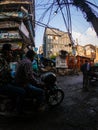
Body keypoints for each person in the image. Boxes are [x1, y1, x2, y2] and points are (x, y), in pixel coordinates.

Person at [0, 43, 25, 114]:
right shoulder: (1, 59)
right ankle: (19, 111)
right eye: (10, 51)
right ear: (5, 51)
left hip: (6, 81)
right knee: (22, 91)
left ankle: (12, 106)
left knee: (19, 85)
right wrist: (8, 70)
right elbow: (2, 72)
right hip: (2, 84)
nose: (11, 52)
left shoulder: (6, 59)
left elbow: (13, 68)